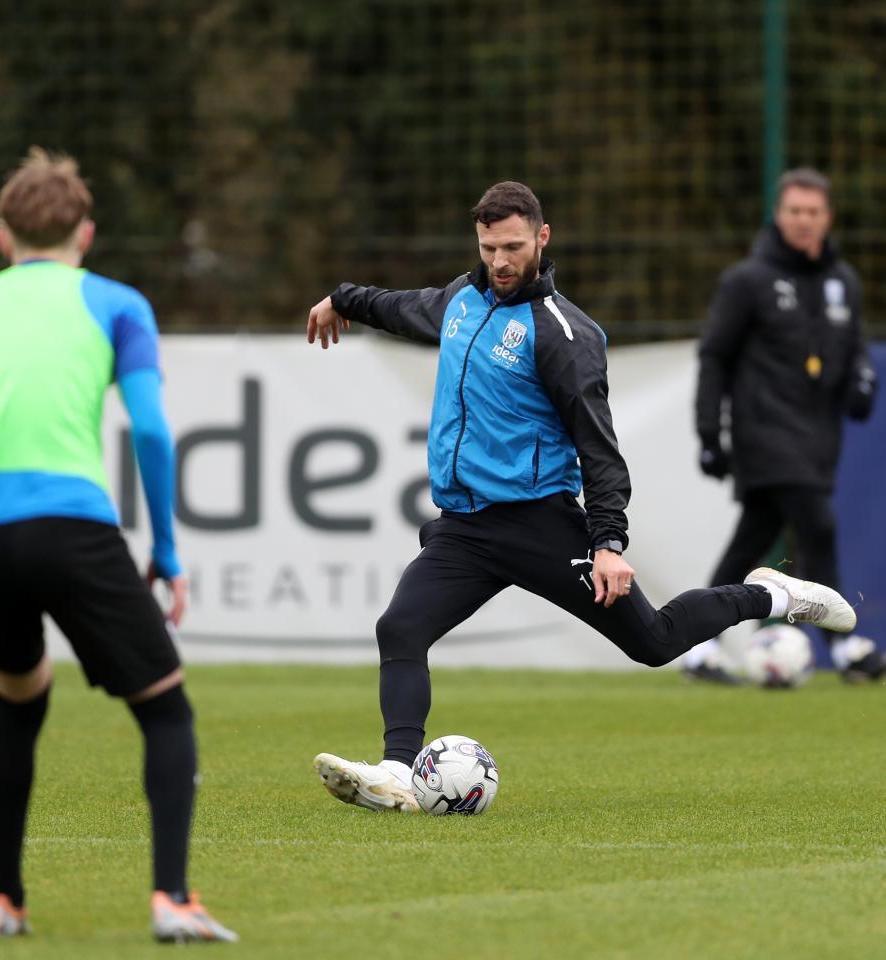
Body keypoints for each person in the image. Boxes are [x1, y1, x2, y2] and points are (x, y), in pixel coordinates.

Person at [304, 180, 858, 813]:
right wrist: (342, 299)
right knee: (400, 627)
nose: (501, 262)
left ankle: (774, 594)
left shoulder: (564, 334)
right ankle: (399, 774)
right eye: (489, 248)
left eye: (513, 247)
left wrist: (608, 542)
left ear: (542, 238)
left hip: (542, 525)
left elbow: (599, 449)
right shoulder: (463, 299)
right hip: (465, 530)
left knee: (653, 643)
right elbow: (403, 306)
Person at [0, 149, 235, 942]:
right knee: (165, 709)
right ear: (85, 232)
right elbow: (150, 427)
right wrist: (168, 549)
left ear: (2, 235)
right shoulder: (116, 303)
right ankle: (172, 899)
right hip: (71, 524)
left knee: (20, 699)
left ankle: (5, 901)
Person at [689, 167, 886, 683]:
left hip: (817, 440)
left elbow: (857, 351)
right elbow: (715, 356)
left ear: (827, 217)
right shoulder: (748, 281)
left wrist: (864, 381)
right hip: (763, 433)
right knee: (818, 528)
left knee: (750, 544)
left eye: (813, 212)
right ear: (778, 216)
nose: (804, 221)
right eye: (794, 211)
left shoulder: (842, 282)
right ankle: (846, 647)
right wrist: (709, 433)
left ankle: (697, 649)